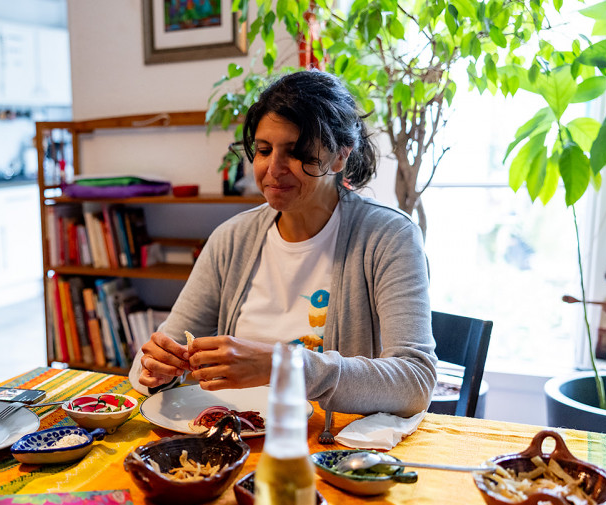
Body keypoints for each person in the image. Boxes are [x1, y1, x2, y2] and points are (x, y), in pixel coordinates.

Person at [129, 70, 436, 417]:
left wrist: (282, 368)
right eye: (263, 150)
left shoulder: (388, 237)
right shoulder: (231, 240)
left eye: (296, 151)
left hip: (332, 449)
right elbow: (146, 368)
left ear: (339, 156)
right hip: (236, 440)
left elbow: (415, 382)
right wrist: (158, 370)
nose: (273, 168)